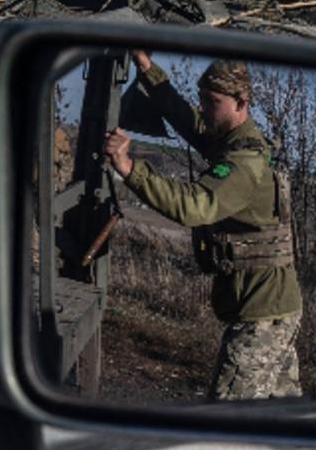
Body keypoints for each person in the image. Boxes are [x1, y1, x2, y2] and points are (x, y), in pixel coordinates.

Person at [102, 51, 302, 400]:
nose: (205, 110)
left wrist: (130, 169)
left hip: (262, 316)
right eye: (203, 101)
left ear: (241, 102)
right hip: (273, 308)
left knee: (226, 424)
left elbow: (196, 206)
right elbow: (186, 120)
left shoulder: (244, 163)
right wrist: (148, 69)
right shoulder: (235, 140)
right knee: (278, 422)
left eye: (213, 102)